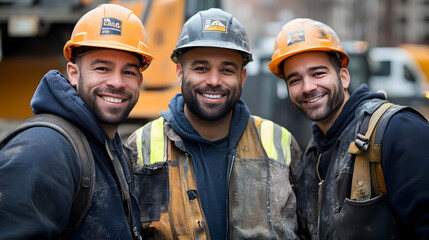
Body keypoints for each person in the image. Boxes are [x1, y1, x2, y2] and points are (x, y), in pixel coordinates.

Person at [126, 8, 301, 240]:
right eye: (201, 68)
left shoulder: (280, 142)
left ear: (242, 77)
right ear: (179, 73)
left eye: (227, 70)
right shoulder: (140, 146)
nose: (214, 81)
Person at [0, 4, 153, 239]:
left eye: (128, 72)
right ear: (73, 73)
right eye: (102, 68)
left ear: (139, 81)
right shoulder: (43, 150)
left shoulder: (111, 148)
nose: (118, 82)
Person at [268, 18, 429, 239]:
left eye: (318, 74)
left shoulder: (397, 130)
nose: (307, 87)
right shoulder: (312, 156)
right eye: (295, 80)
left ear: (344, 77)